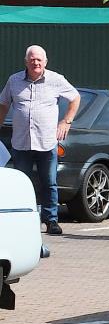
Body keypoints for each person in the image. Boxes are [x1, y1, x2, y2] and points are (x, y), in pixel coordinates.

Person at [0, 45, 80, 235]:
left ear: (45, 62)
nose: (36, 62)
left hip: (46, 142)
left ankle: (51, 220)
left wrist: (66, 122)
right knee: (22, 184)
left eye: (39, 60)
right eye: (32, 59)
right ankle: (20, 220)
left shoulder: (56, 80)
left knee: (49, 183)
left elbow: (75, 98)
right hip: (22, 143)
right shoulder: (14, 80)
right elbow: (3, 103)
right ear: (26, 61)